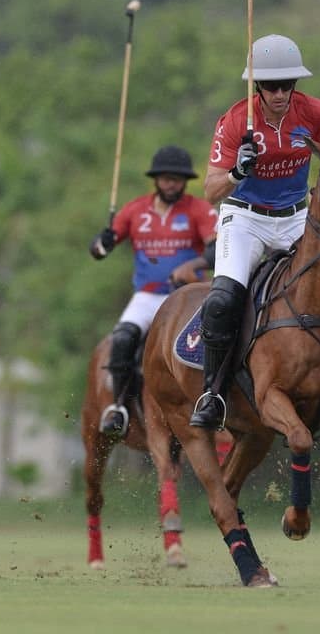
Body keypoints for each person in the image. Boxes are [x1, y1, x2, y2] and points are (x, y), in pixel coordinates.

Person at [190, 33, 320, 430]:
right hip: (246, 219)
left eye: (287, 84)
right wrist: (237, 171)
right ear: (257, 85)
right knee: (222, 300)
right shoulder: (236, 121)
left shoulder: (314, 113)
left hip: (296, 217)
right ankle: (213, 393)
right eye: (271, 85)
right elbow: (211, 191)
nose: (279, 94)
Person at [89, 145, 218, 435]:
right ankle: (119, 407)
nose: (171, 184)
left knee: (216, 339)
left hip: (186, 297)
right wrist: (102, 242)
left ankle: (214, 399)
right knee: (123, 338)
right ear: (156, 179)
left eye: (177, 179)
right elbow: (98, 251)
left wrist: (195, 263)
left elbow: (216, 248)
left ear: (185, 181)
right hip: (148, 296)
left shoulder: (199, 209)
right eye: (166, 178)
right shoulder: (135, 210)